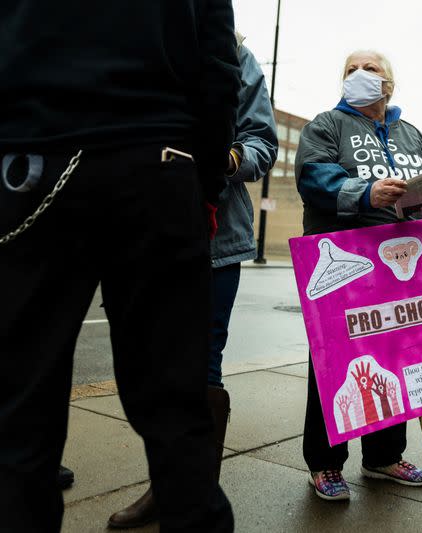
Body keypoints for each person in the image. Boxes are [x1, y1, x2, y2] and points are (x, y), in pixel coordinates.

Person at [0, 1, 240, 531]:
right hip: (157, 155)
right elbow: (218, 63)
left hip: (33, 155)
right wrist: (202, 182)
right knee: (176, 406)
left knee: (19, 409)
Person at [106, 34, 278, 529]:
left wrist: (223, 158)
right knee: (148, 362)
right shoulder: (139, 40)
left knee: (202, 365)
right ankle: (170, 481)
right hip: (140, 230)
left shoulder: (233, 54)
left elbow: (262, 144)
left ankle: (188, 493)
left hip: (213, 237)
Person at [295, 50, 422, 501]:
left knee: (396, 356)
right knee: (334, 362)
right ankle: (326, 463)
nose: (359, 75)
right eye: (351, 68)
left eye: (370, 69)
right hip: (345, 266)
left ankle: (384, 456)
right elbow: (313, 178)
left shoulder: (415, 137)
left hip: (404, 267)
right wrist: (364, 192)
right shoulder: (326, 127)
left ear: (389, 84)